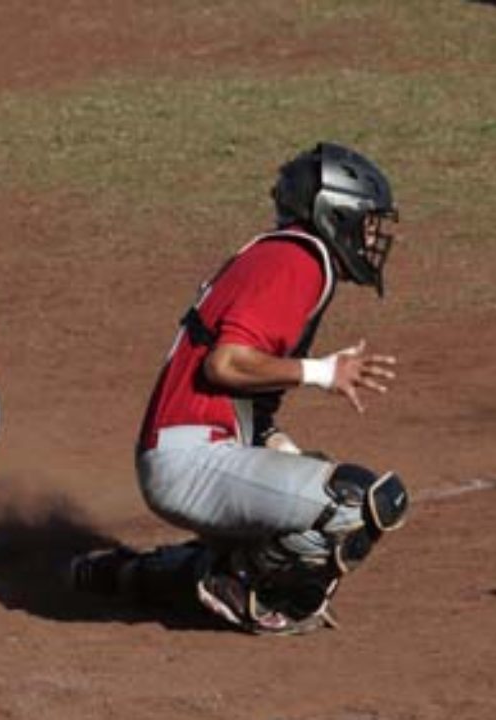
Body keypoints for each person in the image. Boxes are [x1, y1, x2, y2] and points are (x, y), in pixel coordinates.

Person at [71, 142, 410, 635]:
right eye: (367, 220)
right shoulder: (299, 261)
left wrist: (286, 454)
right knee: (355, 502)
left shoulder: (282, 255)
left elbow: (246, 403)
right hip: (192, 459)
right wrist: (322, 373)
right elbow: (226, 365)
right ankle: (239, 585)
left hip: (187, 454)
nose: (372, 234)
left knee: (312, 477)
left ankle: (135, 576)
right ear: (334, 212)